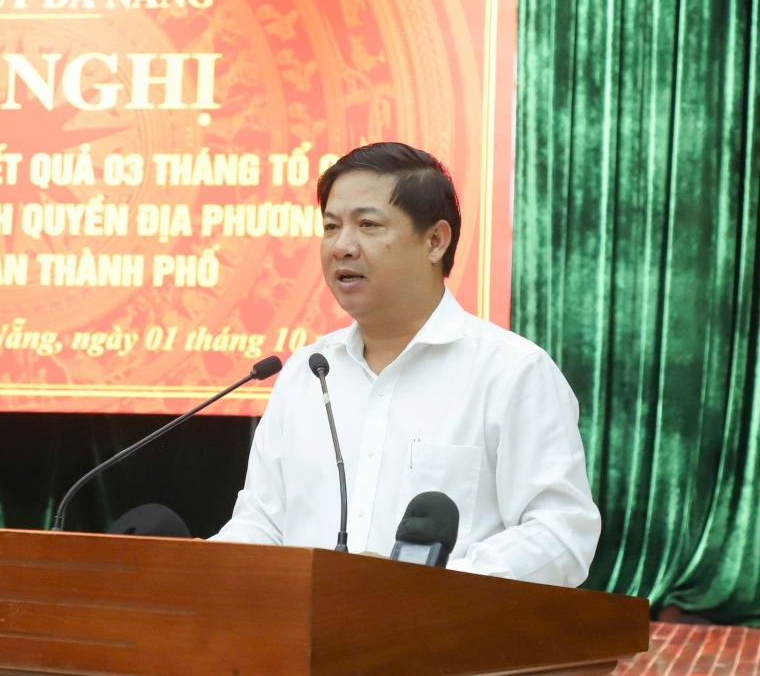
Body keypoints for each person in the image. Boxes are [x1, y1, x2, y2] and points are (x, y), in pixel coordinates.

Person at [210, 142, 601, 587]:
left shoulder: (511, 373)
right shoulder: (308, 372)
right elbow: (261, 523)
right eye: (331, 226)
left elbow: (560, 534)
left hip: (444, 630)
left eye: (368, 225)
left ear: (435, 241)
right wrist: (203, 571)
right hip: (300, 629)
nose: (341, 246)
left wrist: (423, 590)